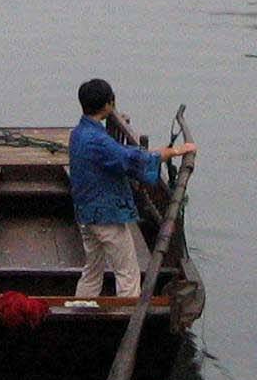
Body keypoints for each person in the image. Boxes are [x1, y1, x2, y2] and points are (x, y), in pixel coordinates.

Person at [67, 77, 195, 300]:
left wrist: (156, 152)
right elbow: (131, 160)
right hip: (106, 217)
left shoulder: (79, 133)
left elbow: (118, 155)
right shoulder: (97, 141)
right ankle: (127, 316)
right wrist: (173, 152)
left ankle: (80, 306)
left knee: (92, 270)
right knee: (127, 273)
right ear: (108, 104)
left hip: (86, 214)